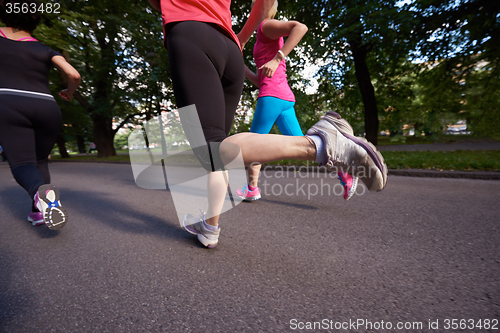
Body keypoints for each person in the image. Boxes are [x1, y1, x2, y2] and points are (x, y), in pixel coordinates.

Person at [148, 0, 387, 248]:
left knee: (212, 147)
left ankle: (322, 143)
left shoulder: (269, 28)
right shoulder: (259, 30)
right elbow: (264, 2)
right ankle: (210, 227)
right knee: (218, 151)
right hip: (229, 49)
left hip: (190, 33)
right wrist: (240, 38)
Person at [234, 1, 358, 202]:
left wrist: (277, 58)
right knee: (306, 147)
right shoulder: (262, 34)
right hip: (282, 97)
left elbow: (301, 27)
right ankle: (343, 171)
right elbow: (259, 80)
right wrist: (241, 65)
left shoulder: (266, 26)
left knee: (254, 143)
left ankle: (251, 188)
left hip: (272, 97)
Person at [0, 0, 81, 229]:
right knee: (40, 160)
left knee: (23, 163)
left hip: (8, 103)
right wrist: (69, 92)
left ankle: (39, 195)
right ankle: (40, 211)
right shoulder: (45, 48)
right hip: (46, 106)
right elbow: (73, 74)